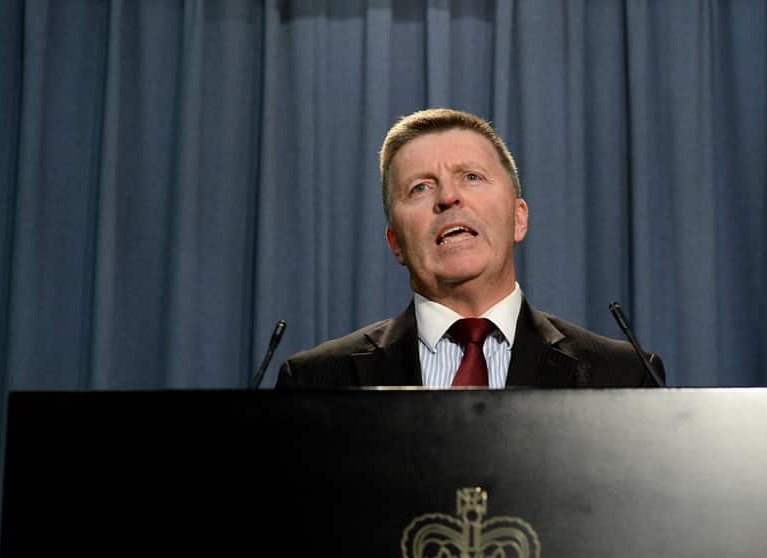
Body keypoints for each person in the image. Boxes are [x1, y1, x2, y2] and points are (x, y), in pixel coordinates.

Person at [276, 108, 664, 388]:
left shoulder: (623, 376)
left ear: (518, 218)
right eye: (420, 188)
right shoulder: (315, 381)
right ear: (396, 243)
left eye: (472, 177)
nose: (448, 197)